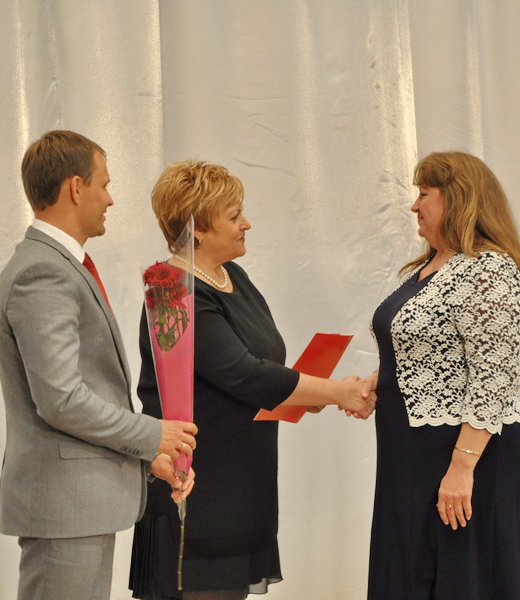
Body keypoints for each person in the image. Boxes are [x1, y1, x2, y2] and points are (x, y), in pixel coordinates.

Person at [129, 160, 375, 600]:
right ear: (198, 229)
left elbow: (256, 369)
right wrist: (339, 392)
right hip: (199, 490)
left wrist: (305, 395)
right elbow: (243, 373)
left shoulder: (231, 276)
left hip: (243, 483)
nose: (247, 223)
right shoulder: (171, 290)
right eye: (234, 215)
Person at [0, 130, 199, 600]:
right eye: (104, 185)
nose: (110, 199)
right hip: (65, 508)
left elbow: (81, 393)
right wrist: (152, 433)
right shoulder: (43, 271)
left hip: (77, 506)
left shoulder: (58, 265)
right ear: (75, 187)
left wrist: (148, 457)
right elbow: (62, 400)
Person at [363, 151, 520, 599]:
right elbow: (430, 352)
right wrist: (378, 381)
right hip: (414, 455)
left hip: (469, 455)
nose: (414, 206)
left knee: (462, 581)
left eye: (424, 194)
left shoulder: (489, 269)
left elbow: (493, 375)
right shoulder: (430, 268)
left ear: (458, 199)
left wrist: (461, 468)